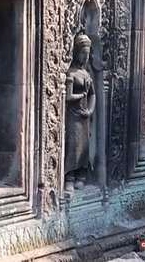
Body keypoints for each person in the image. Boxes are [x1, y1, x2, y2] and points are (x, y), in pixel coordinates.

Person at [64, 33, 95, 193]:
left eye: (88, 53)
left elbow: (93, 95)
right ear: (76, 52)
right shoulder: (71, 73)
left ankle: (81, 176)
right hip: (72, 116)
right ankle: (69, 177)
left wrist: (90, 110)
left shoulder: (87, 74)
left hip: (84, 117)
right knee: (73, 145)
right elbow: (67, 97)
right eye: (83, 52)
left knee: (84, 146)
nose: (85, 56)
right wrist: (80, 96)